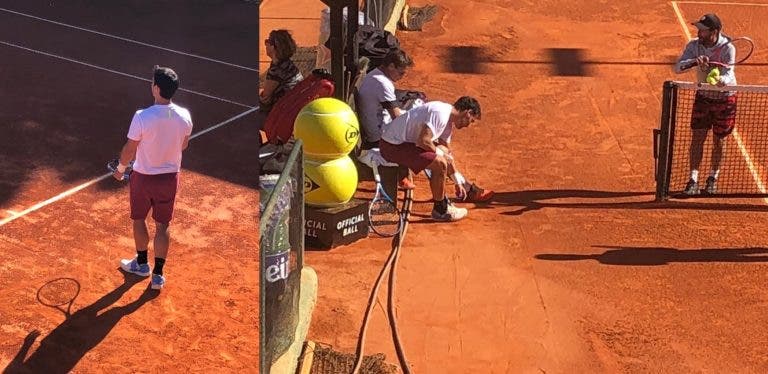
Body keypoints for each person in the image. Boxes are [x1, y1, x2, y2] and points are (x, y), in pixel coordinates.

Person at [357, 50, 493, 201]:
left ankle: (465, 187)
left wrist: (452, 172)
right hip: (381, 135)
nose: (402, 76)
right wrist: (415, 116)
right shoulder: (382, 83)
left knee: (437, 149)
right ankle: (445, 201)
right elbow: (397, 117)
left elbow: (445, 149)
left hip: (384, 128)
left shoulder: (446, 116)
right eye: (401, 73)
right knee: (435, 156)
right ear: (390, 66)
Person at [113, 66, 193, 290]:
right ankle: (158, 275)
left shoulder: (142, 117)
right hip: (170, 179)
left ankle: (141, 264)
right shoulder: (184, 116)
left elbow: (130, 149)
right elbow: (183, 144)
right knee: (163, 225)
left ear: (156, 89)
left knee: (139, 220)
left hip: (144, 177)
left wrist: (120, 169)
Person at [379, 96, 481, 221]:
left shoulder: (447, 120)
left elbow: (448, 154)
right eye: (471, 121)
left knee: (442, 156)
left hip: (403, 144)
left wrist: (457, 181)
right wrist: (440, 153)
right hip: (391, 146)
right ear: (468, 112)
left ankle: (442, 205)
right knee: (439, 163)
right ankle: (441, 210)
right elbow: (424, 141)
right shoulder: (440, 113)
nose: (468, 125)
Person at [674, 13, 737, 195]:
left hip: (725, 97)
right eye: (698, 29)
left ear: (714, 31)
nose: (699, 32)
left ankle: (712, 178)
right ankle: (693, 180)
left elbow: (728, 72)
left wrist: (721, 81)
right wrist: (694, 61)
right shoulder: (694, 46)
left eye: (703, 30)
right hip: (703, 96)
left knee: (719, 141)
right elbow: (678, 68)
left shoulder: (728, 48)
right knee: (698, 138)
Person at [260, 29, 303, 113]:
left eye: (267, 41)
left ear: (274, 47)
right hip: (293, 105)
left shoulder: (277, 71)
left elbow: (265, 98)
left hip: (282, 112)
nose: (266, 44)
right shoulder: (288, 65)